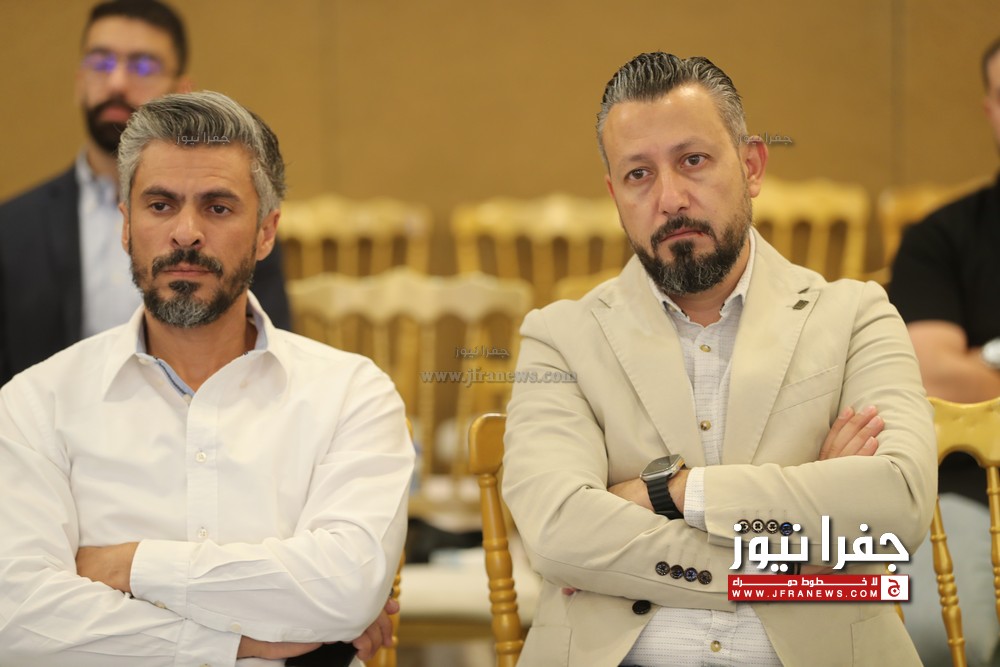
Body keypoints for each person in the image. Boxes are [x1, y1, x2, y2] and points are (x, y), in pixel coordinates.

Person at [501, 52, 937, 667]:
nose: (670, 198)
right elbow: (557, 533)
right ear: (614, 194)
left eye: (693, 161)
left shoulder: (855, 316)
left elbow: (896, 509)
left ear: (751, 166)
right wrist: (796, 557)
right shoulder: (559, 337)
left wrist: (669, 492)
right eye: (638, 174)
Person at [0, 91, 413, 666]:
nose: (186, 233)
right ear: (126, 226)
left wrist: (126, 566)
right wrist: (239, 644)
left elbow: (345, 589)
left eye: (218, 208)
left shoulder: (351, 394)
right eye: (160, 205)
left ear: (265, 233)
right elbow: (18, 620)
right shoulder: (37, 402)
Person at [0, 0, 291, 387]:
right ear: (79, 80)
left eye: (143, 66)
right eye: (101, 63)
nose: (117, 82)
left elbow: (270, 349)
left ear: (182, 91)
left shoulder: (237, 219)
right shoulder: (12, 227)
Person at [887, 35, 1000, 667]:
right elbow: (933, 376)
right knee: (936, 638)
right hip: (974, 489)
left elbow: (964, 373)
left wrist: (985, 359)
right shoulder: (942, 237)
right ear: (990, 110)